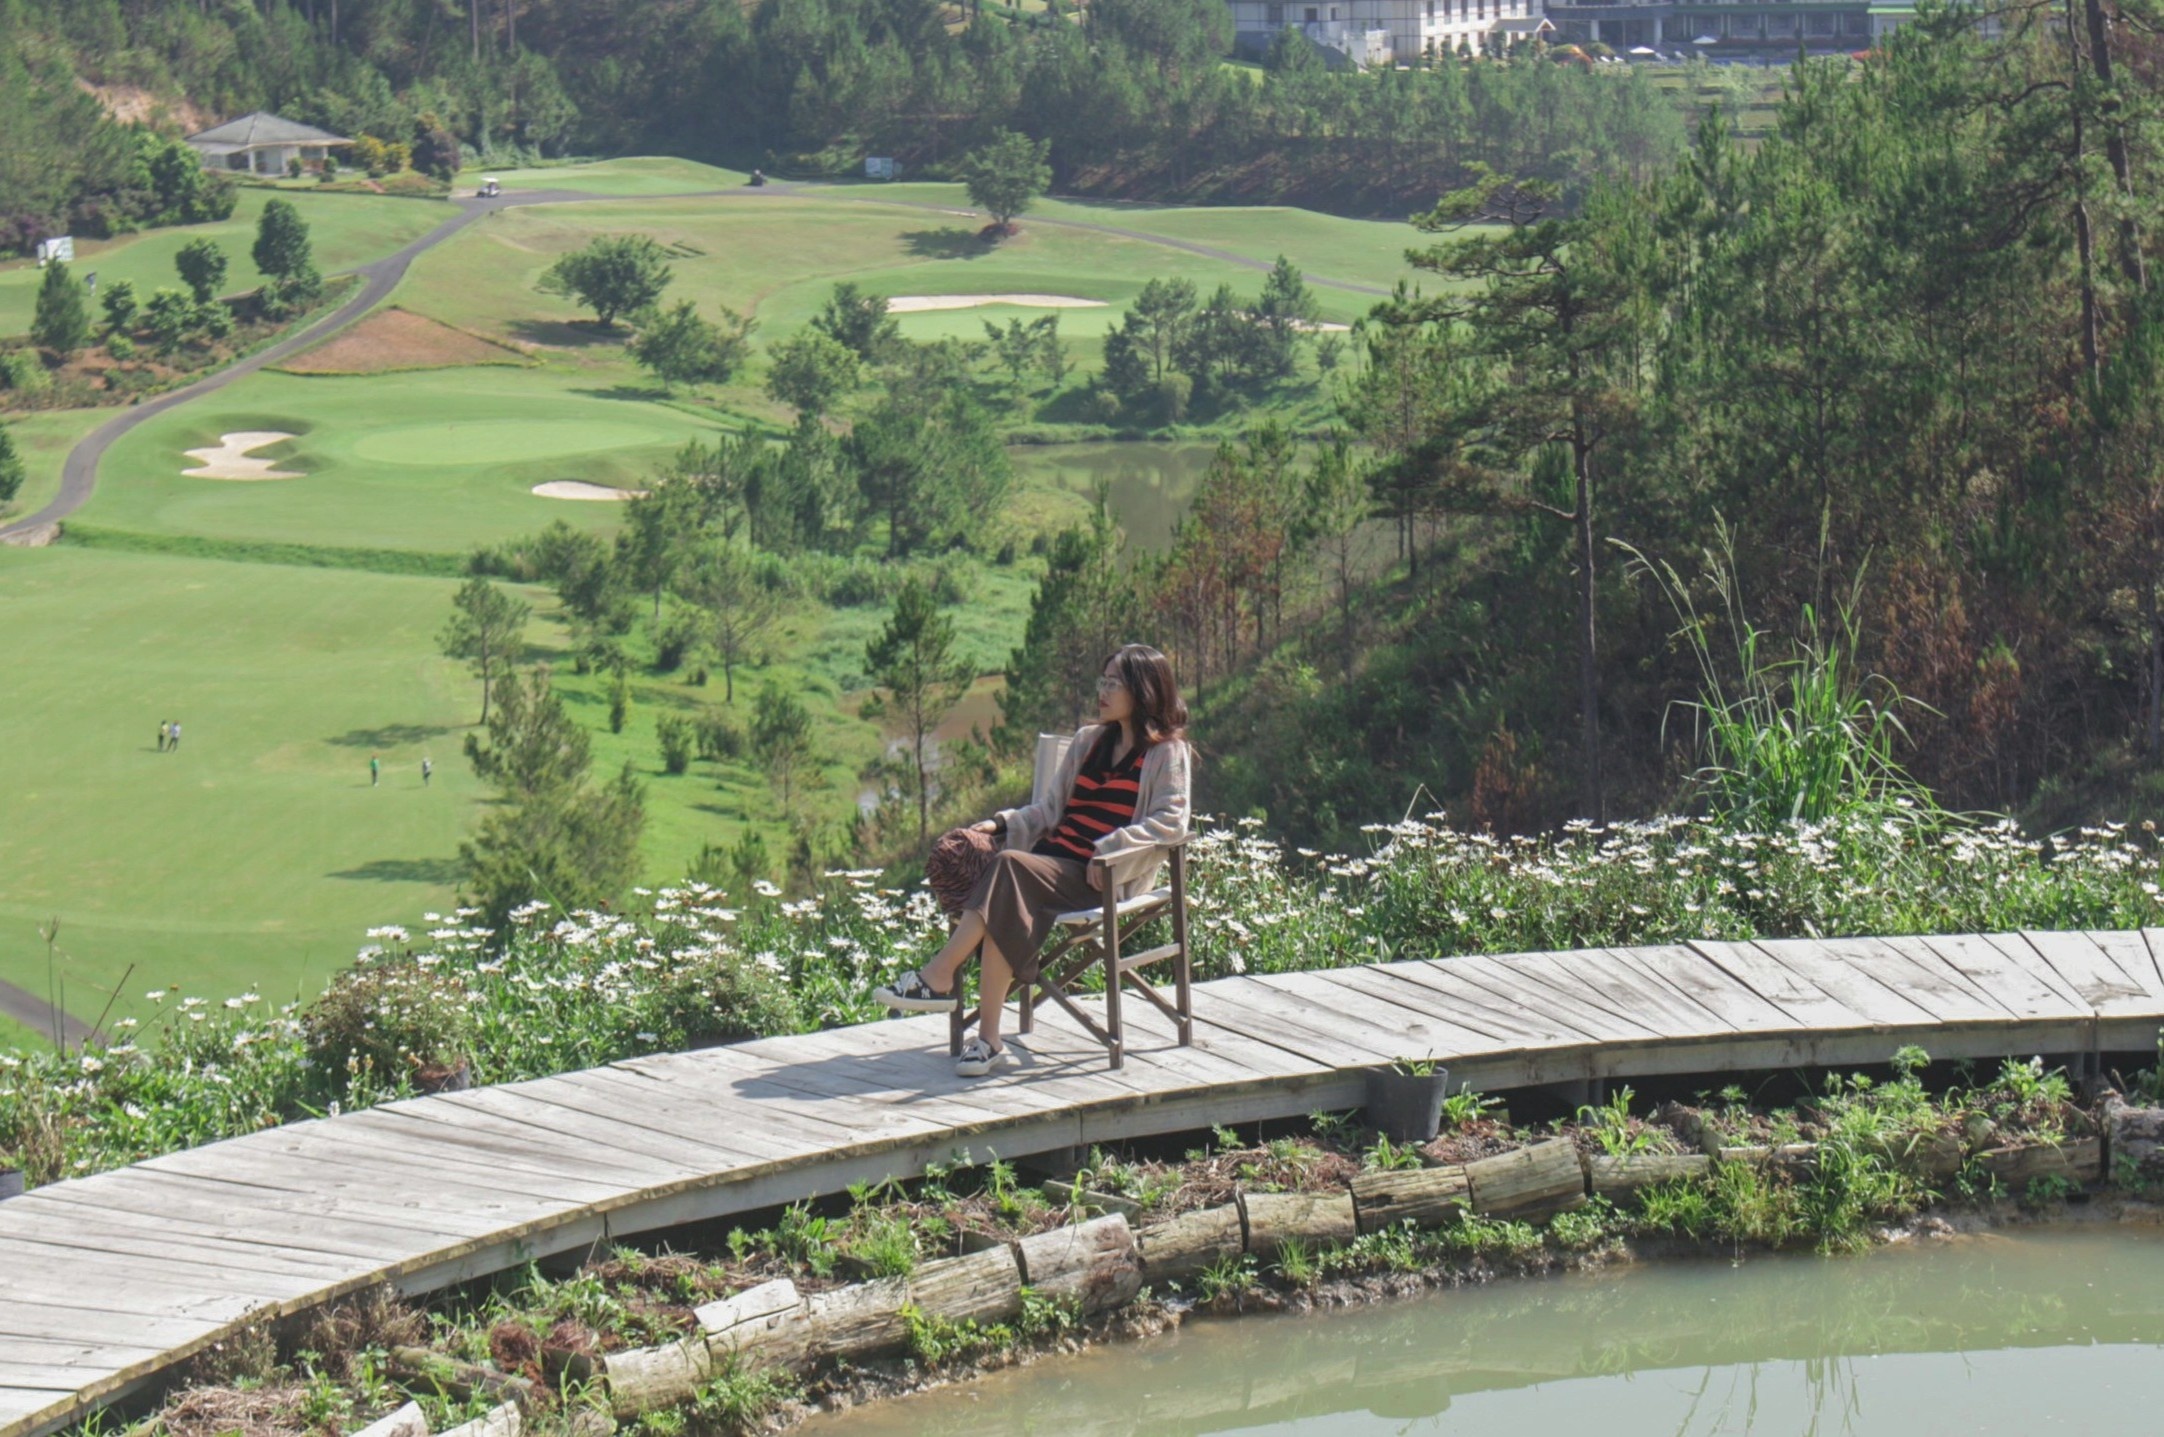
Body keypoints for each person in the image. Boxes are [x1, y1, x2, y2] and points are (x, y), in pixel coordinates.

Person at [872, 644, 1192, 1077]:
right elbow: (1047, 811)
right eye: (1103, 680)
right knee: (1008, 881)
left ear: (1143, 689)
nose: (1103, 691)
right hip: (1047, 866)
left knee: (1009, 870)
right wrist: (999, 825)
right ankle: (987, 1039)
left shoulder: (1166, 753)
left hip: (1100, 876)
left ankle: (940, 977)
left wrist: (1111, 849)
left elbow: (1171, 821)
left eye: (1114, 682)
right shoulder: (1088, 742)